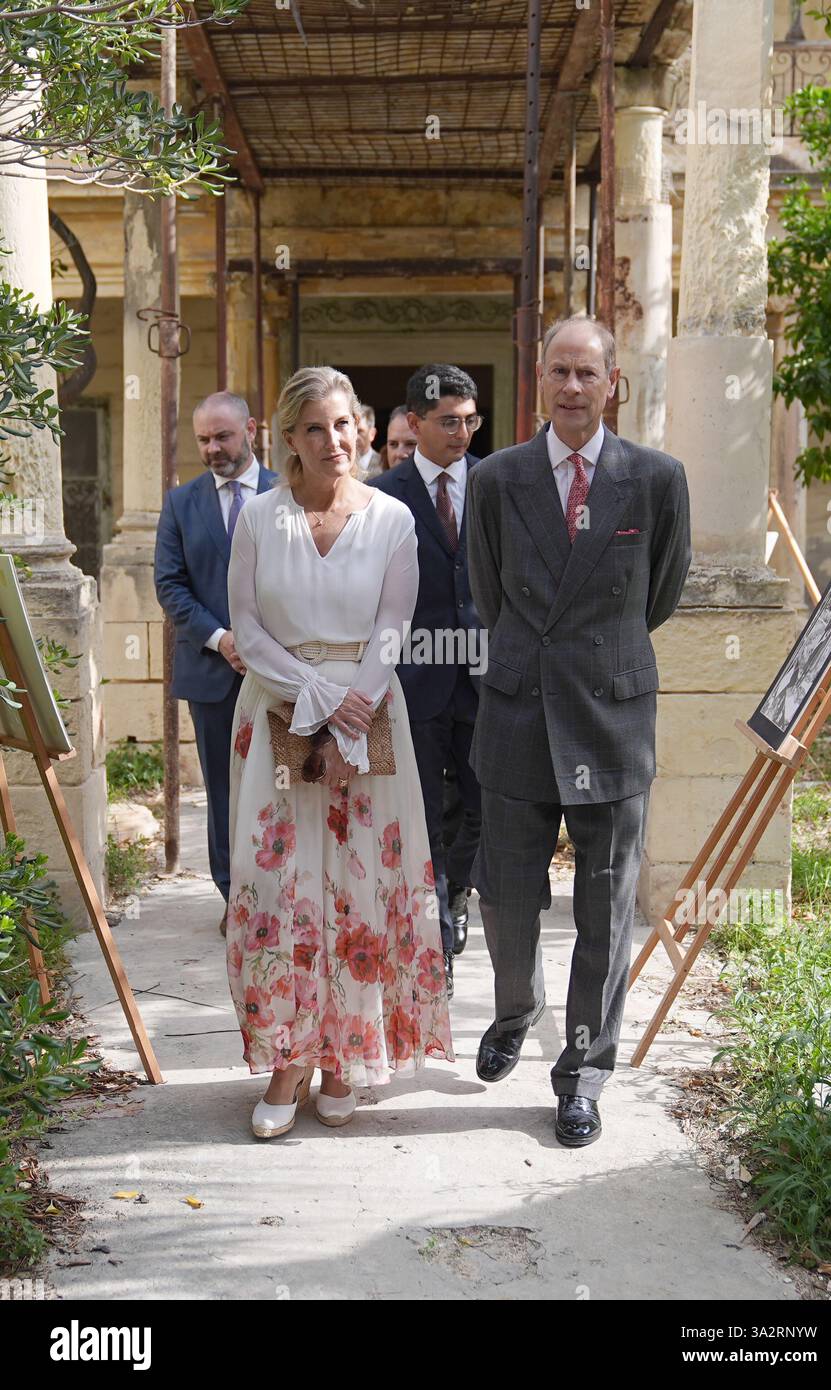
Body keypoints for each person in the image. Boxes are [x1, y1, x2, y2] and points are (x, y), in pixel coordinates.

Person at [466, 314, 692, 1149]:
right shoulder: (498, 479)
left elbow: (657, 594)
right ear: (540, 381)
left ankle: (582, 1073)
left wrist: (595, 660)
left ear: (612, 384)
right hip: (520, 709)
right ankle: (516, 1005)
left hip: (610, 716)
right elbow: (490, 596)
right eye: (558, 372)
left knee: (604, 905)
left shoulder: (656, 480)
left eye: (586, 374)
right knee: (508, 898)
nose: (571, 388)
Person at [225, 366, 453, 1139]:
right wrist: (309, 693)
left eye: (346, 424)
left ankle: (344, 1058)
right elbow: (246, 625)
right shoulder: (259, 519)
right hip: (280, 708)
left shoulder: (392, 519)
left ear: (363, 427)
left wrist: (352, 700)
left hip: (366, 711)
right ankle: (288, 1059)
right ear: (288, 438)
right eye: (315, 428)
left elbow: (395, 622)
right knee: (280, 879)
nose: (335, 441)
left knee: (361, 882)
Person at [370, 365, 484, 996]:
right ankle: (435, 912)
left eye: (471, 420)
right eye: (449, 422)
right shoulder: (381, 495)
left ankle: (459, 888)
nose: (462, 432)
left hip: (485, 672)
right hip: (413, 675)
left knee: (480, 799)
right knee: (420, 805)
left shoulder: (495, 483)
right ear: (414, 424)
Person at [154, 392, 278, 934]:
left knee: (282, 783)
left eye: (222, 436)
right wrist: (222, 639)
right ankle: (236, 899)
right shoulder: (181, 504)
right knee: (224, 790)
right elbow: (170, 585)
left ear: (250, 429)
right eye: (203, 439)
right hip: (212, 673)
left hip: (282, 674)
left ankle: (282, 893)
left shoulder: (287, 493)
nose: (212, 448)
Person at [354, 404, 379, 478]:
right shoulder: (340, 463)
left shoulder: (384, 464)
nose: (354, 437)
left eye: (360, 431)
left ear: (372, 434)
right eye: (352, 431)